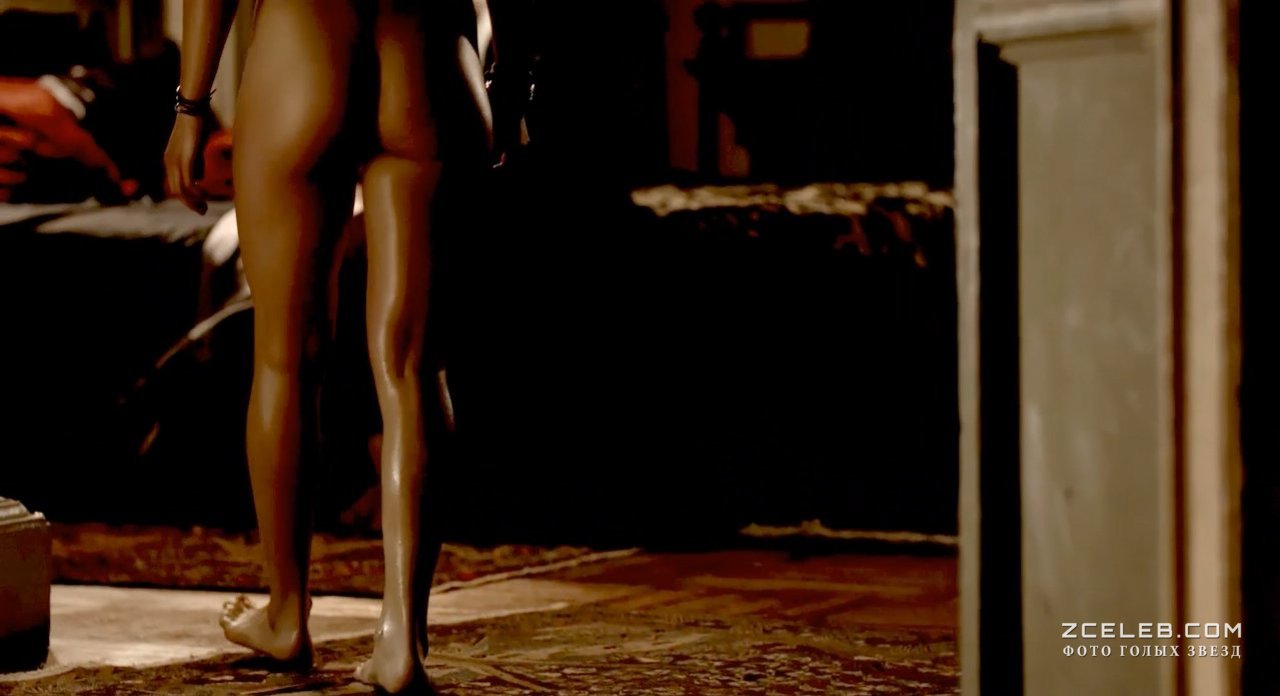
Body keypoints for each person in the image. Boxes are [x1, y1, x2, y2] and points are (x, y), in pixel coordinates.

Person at [162, 0, 532, 692]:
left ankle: (285, 614)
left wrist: (189, 108)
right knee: (414, 368)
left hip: (303, 56)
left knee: (285, 359)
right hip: (431, 64)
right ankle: (402, 641)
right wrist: (511, 86)